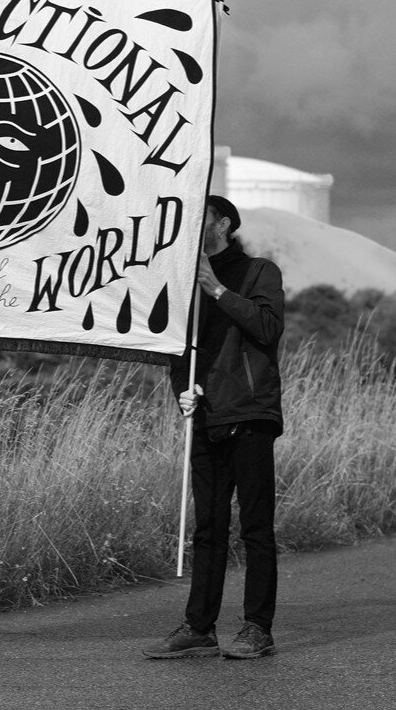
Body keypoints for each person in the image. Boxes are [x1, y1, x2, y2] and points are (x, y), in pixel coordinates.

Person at [142, 195, 284, 660]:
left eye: (198, 219)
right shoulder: (180, 281)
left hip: (250, 411)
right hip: (204, 416)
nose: (189, 226)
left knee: (256, 527)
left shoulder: (259, 271)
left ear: (223, 224)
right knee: (209, 527)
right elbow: (175, 346)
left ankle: (257, 629)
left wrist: (216, 287)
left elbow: (266, 327)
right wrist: (181, 391)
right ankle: (200, 627)